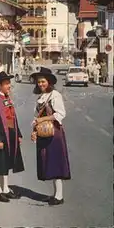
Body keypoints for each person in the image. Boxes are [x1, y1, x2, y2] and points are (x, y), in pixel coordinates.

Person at [30, 67, 71, 206]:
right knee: (48, 163)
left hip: (54, 133)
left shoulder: (55, 95)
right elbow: (36, 117)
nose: (40, 84)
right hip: (43, 133)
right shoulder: (41, 97)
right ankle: (55, 194)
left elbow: (60, 114)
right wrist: (34, 131)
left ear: (49, 82)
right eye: (38, 82)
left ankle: (59, 196)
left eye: (43, 81)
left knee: (56, 163)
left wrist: (42, 120)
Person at [0, 71, 24, 203]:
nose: (9, 86)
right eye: (6, 84)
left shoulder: (7, 99)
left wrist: (18, 134)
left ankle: (6, 188)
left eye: (9, 83)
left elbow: (14, 118)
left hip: (10, 136)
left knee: (5, 163)